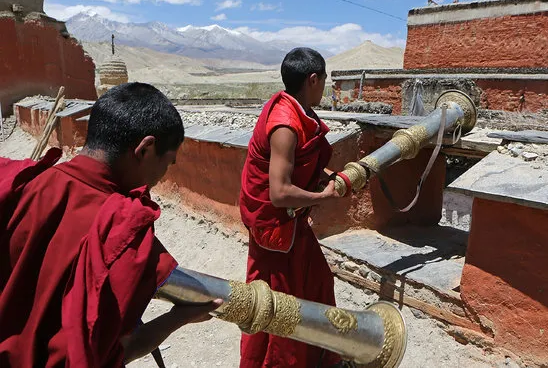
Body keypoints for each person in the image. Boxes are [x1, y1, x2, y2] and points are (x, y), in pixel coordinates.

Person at [0, 82, 221, 367]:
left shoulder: (23, 185)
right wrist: (179, 317)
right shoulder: (120, 228)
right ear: (145, 149)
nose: (163, 175)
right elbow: (113, 351)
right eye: (167, 163)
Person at [239, 48, 345, 367]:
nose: (325, 85)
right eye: (324, 79)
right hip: (276, 227)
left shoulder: (298, 110)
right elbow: (280, 193)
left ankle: (318, 355)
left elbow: (303, 167)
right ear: (313, 79)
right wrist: (322, 198)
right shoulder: (285, 124)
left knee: (317, 283)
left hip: (292, 224)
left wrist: (330, 178)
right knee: (279, 303)